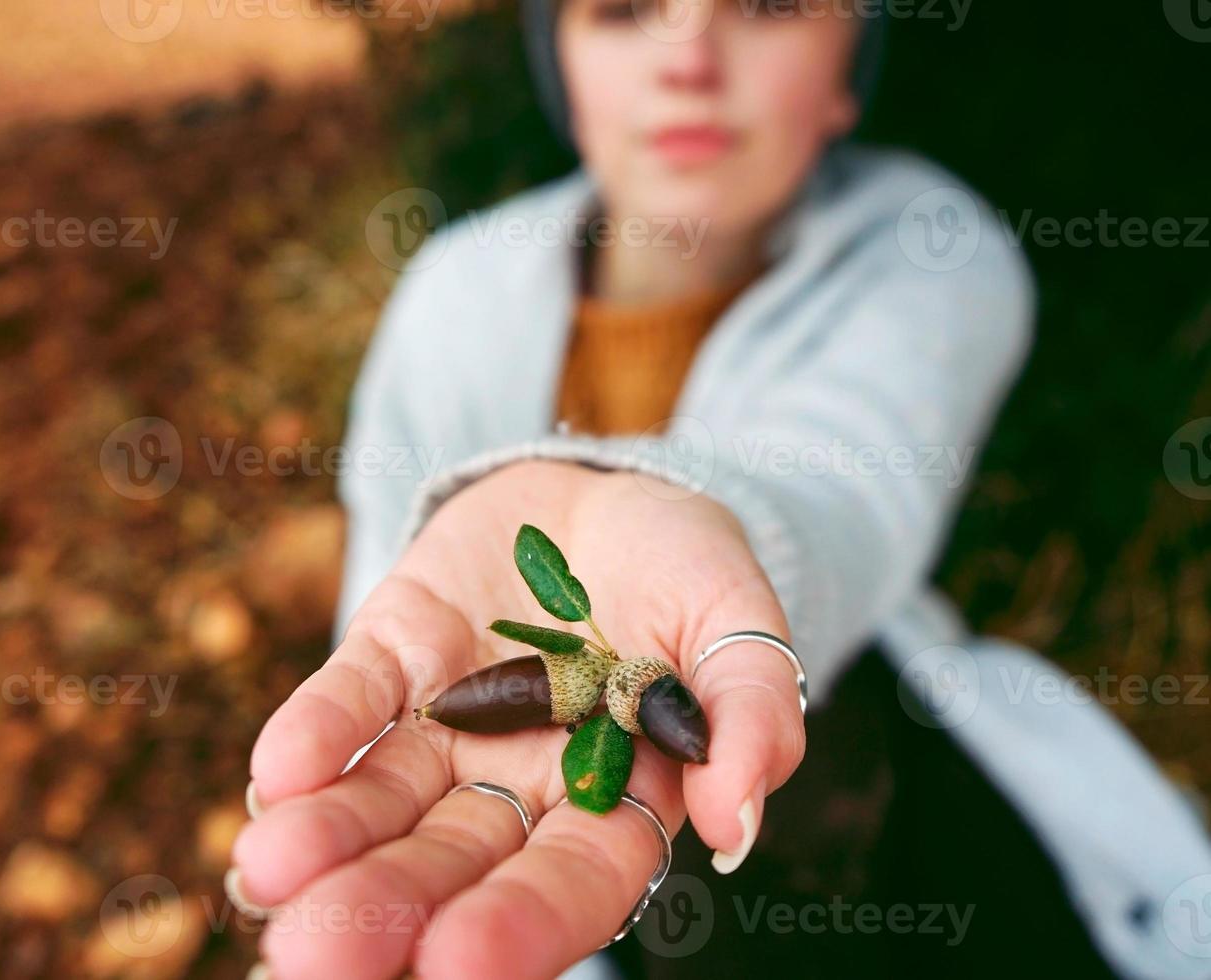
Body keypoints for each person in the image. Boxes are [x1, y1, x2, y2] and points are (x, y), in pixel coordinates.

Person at [228, 1, 1211, 977]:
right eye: (621, 12)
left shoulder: (928, 246)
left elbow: (843, 489)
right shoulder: (454, 290)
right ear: (561, 67)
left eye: (769, 6)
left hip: (878, 799)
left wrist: (686, 526)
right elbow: (389, 618)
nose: (687, 57)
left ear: (847, 70)